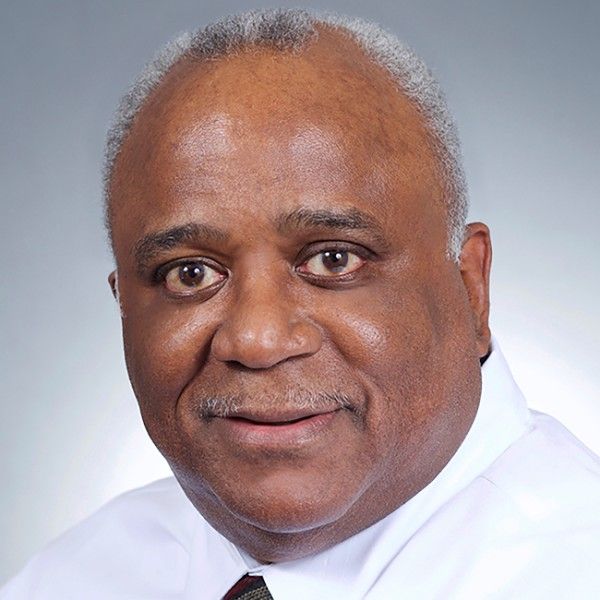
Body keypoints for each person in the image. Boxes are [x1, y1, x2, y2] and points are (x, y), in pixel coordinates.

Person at [2, 8, 599, 599]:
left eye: (334, 259)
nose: (258, 340)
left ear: (471, 288)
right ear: (124, 307)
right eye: (190, 273)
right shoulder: (74, 577)